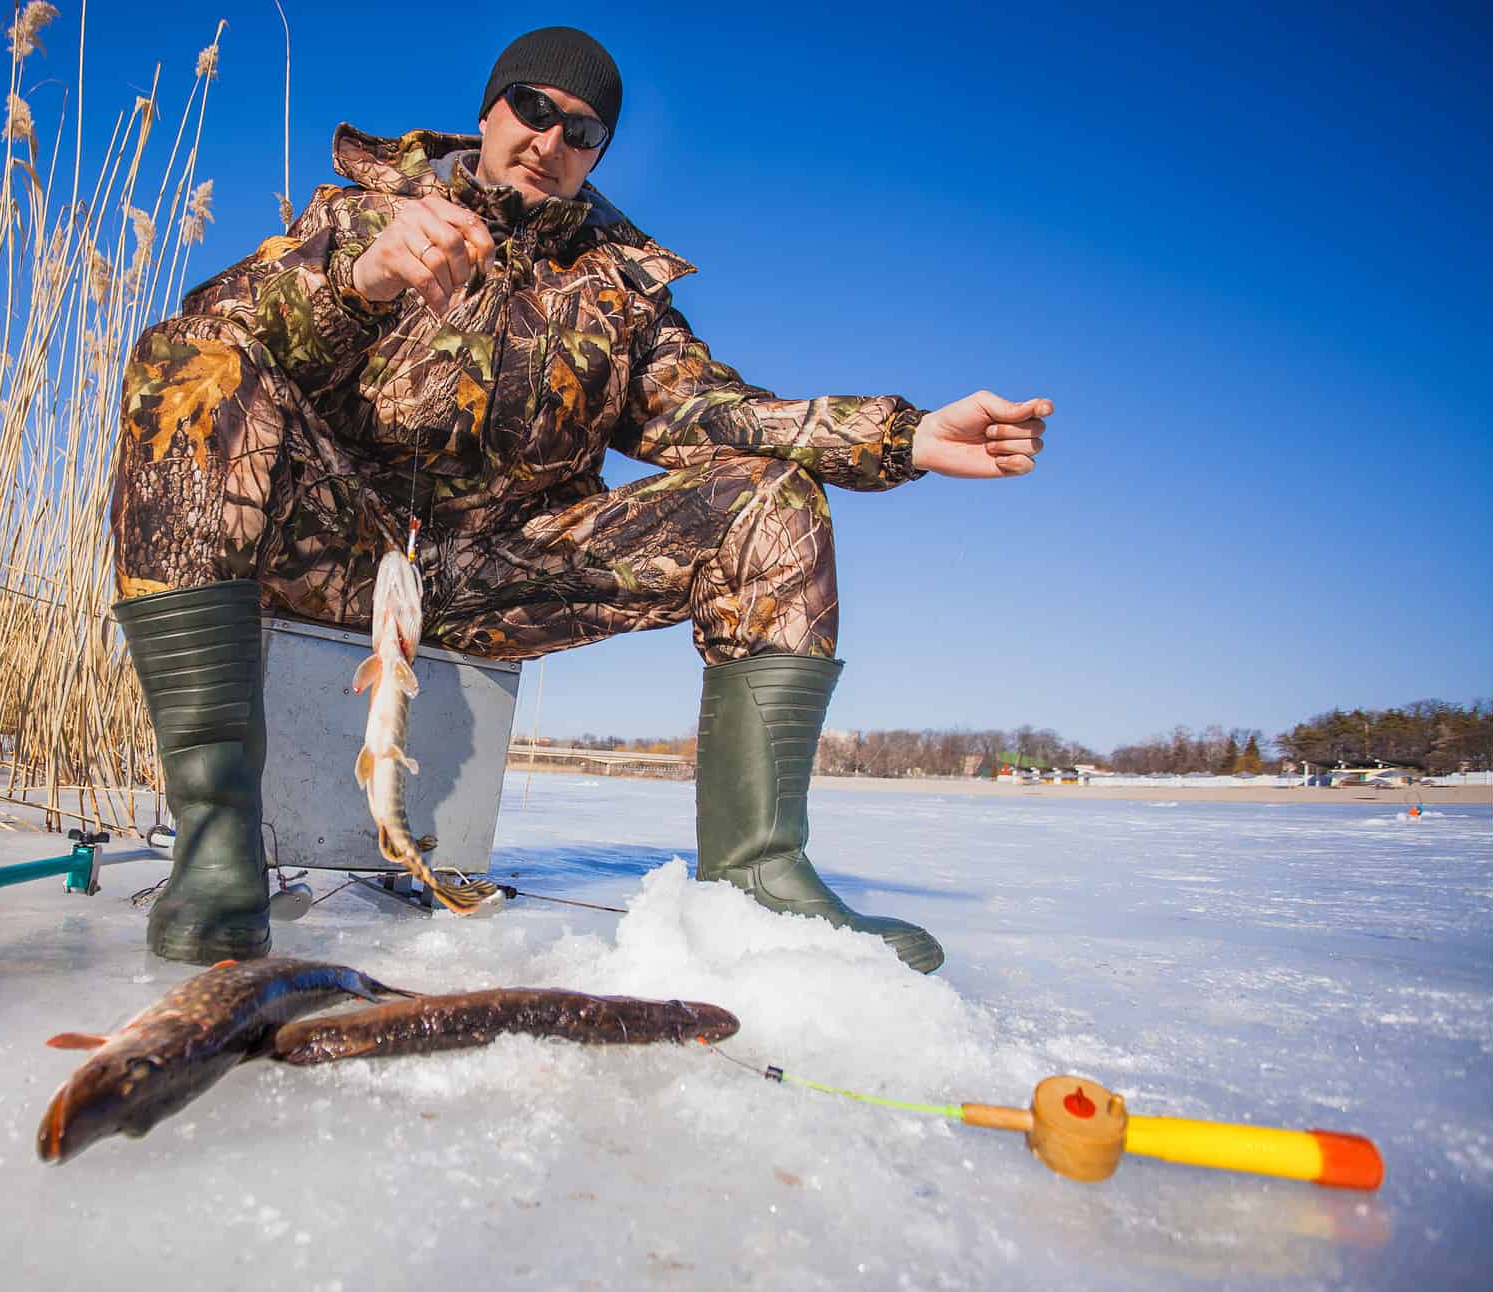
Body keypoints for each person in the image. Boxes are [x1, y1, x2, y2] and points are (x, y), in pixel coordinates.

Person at [110, 26, 1052, 972]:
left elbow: (712, 413)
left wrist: (903, 436)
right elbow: (214, 331)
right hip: (333, 543)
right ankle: (218, 846)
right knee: (188, 365)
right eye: (533, 109)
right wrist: (365, 277)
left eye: (584, 130)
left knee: (772, 502)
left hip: (498, 573)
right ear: (488, 110)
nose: (552, 141)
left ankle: (762, 879)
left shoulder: (620, 289)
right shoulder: (365, 215)